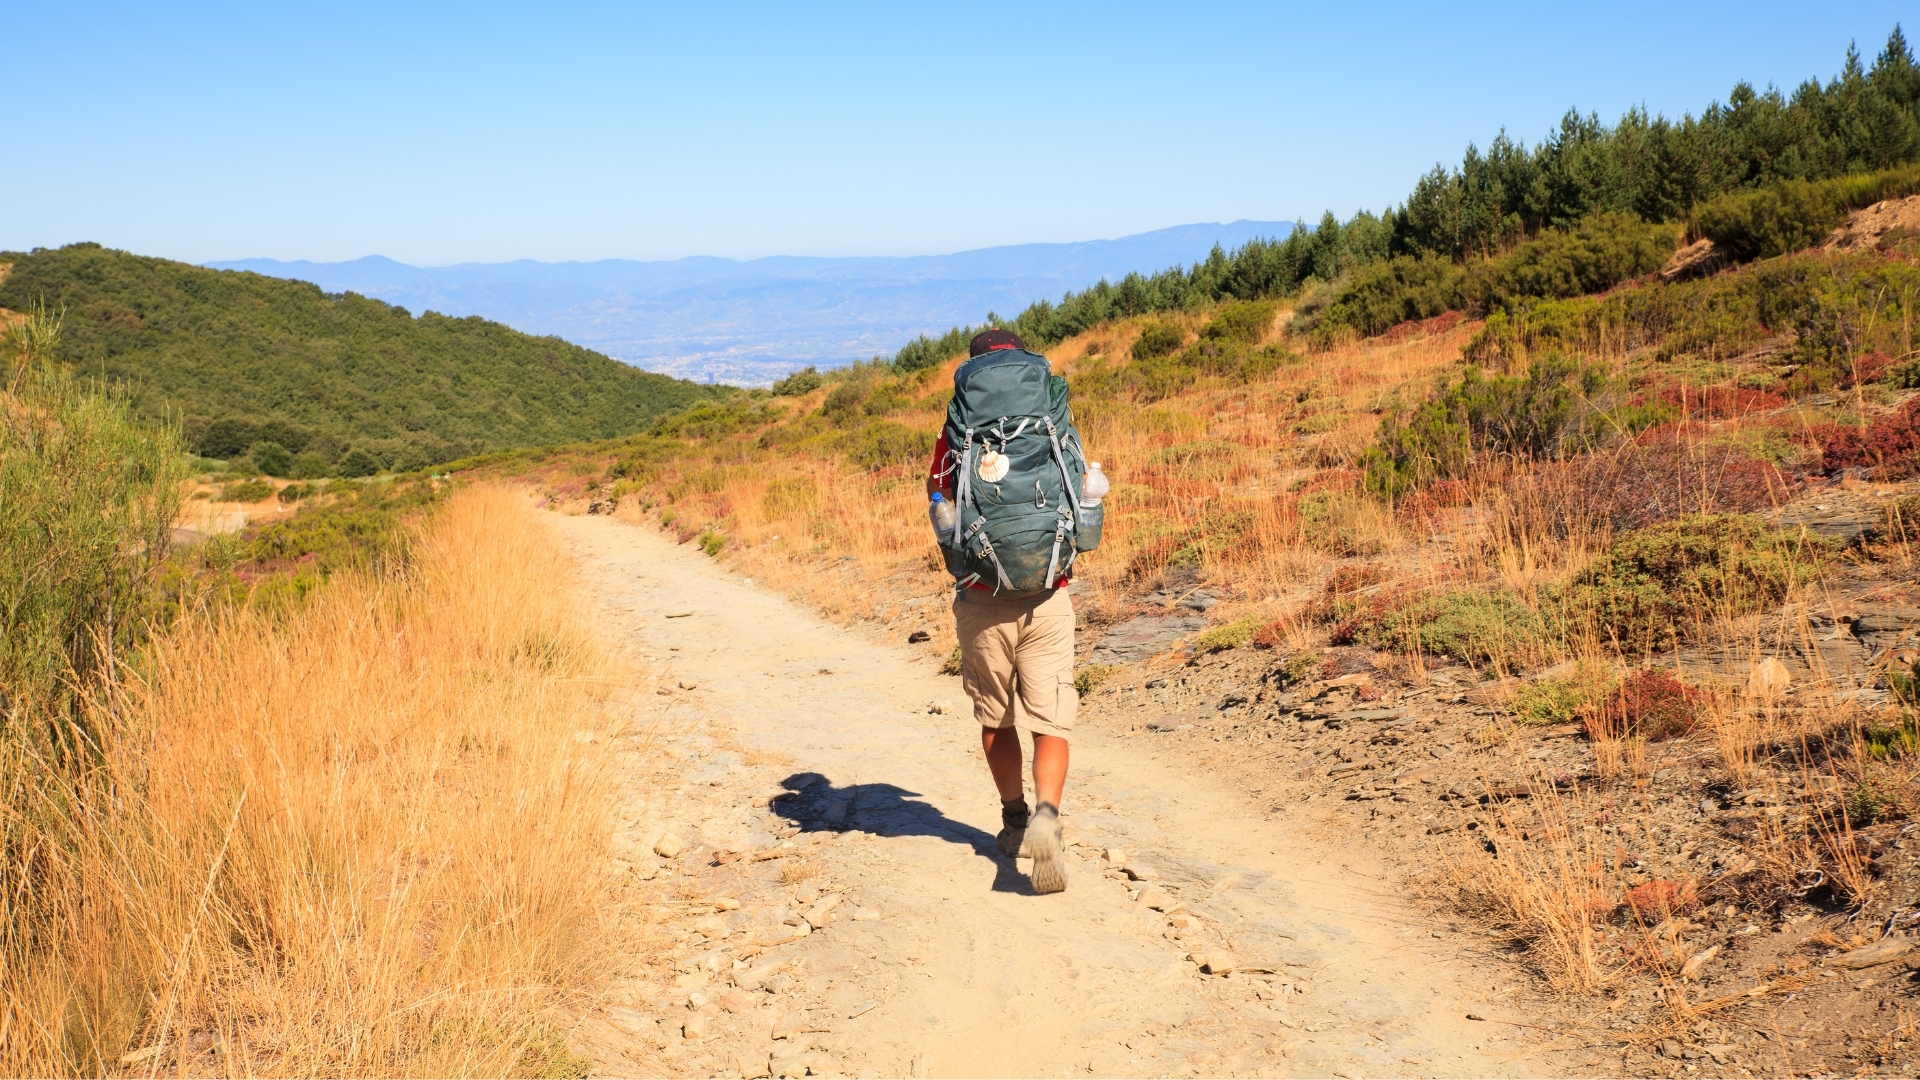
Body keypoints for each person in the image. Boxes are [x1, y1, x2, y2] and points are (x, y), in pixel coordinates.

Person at [926, 328, 1084, 894]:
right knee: (1051, 719)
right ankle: (1048, 813)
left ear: (972, 374)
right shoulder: (1049, 415)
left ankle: (1014, 820)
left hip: (981, 595)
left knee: (997, 717)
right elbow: (1079, 485)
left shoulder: (959, 430)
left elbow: (938, 494)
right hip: (1048, 588)